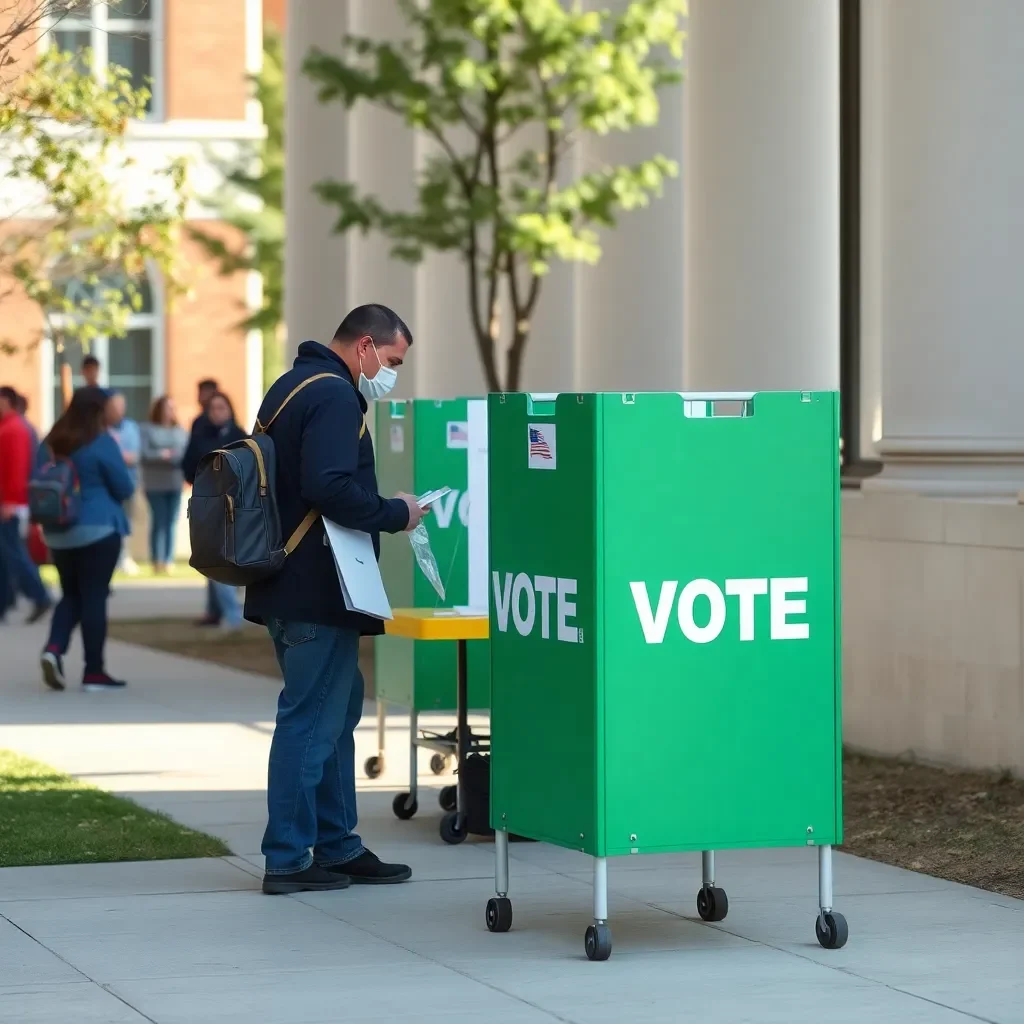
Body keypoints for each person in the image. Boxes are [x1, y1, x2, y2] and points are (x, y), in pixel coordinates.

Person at [245, 303, 426, 895]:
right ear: (366, 345)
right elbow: (328, 485)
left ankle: (338, 844)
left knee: (337, 708)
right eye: (391, 360)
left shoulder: (290, 385)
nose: (390, 371)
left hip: (291, 580)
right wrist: (395, 513)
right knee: (311, 718)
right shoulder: (334, 395)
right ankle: (289, 858)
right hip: (316, 585)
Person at [38, 387, 133, 692]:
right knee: (94, 596)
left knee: (70, 595)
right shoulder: (101, 442)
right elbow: (124, 487)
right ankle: (94, 672)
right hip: (98, 529)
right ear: (98, 410)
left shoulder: (51, 441)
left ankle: (53, 649)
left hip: (58, 531)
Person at [183, 391, 247, 632]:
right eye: (213, 409)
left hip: (233, 505)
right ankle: (218, 611)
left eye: (222, 407)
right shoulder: (200, 436)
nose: (218, 412)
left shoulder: (239, 437)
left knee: (222, 557)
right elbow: (189, 465)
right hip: (207, 504)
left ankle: (231, 615)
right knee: (211, 556)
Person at [0, 386, 51, 624]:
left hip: (11, 503)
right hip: (11, 502)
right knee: (7, 554)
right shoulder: (11, 428)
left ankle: (39, 594)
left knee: (13, 553)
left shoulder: (14, 429)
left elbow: (16, 470)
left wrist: (10, 501)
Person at [141, 396, 188, 573]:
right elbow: (145, 453)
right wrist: (163, 455)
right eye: (167, 407)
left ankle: (168, 560)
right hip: (154, 483)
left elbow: (183, 453)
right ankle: (157, 559)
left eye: (172, 408)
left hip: (175, 481)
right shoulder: (147, 429)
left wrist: (168, 455)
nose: (170, 411)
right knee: (159, 520)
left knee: (171, 522)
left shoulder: (180, 431)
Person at [106, 391, 142, 576]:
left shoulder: (130, 428)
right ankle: (111, 560)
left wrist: (115, 457)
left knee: (126, 522)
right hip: (107, 486)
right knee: (110, 523)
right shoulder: (102, 429)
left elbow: (133, 456)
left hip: (127, 482)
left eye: (120, 406)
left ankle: (124, 557)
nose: (117, 410)